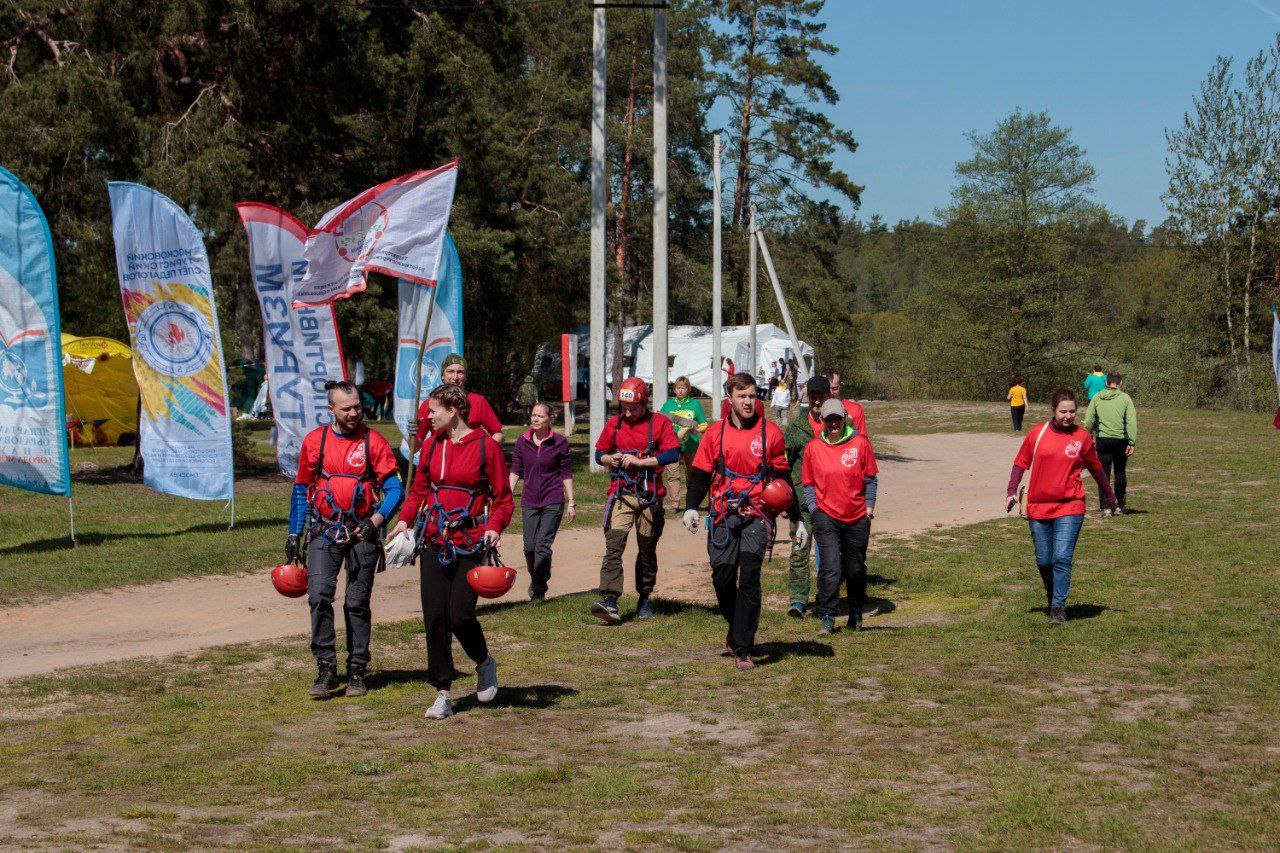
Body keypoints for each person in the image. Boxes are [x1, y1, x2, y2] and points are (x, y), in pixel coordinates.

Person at [390, 383, 514, 720]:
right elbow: (417, 490)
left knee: (459, 614)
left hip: (470, 541)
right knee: (435, 618)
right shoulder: (431, 447)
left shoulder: (486, 447)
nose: (428, 416)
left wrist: (494, 526)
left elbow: (503, 498)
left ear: (453, 410)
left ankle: (484, 662)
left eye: (433, 410)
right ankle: (443, 692)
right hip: (434, 539)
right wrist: (404, 522)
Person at [287, 380, 404, 700]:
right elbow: (301, 490)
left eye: (357, 407)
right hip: (324, 532)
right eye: (346, 408)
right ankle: (326, 668)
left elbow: (396, 490)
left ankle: (357, 670)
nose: (354, 413)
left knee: (356, 602)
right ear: (331, 410)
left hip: (362, 534)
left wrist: (375, 522)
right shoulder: (315, 442)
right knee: (319, 595)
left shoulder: (374, 442)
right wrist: (294, 533)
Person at [683, 373, 804, 670]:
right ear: (730, 399)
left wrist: (797, 519)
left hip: (757, 515)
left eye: (752, 395)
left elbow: (783, 478)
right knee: (722, 576)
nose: (748, 401)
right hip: (723, 513)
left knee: (750, 577)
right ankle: (737, 627)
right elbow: (700, 473)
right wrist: (690, 507)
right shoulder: (715, 433)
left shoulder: (771, 433)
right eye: (742, 396)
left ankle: (743, 648)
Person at [1005, 388, 1118, 625]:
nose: (1068, 416)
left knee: (1062, 558)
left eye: (1072, 412)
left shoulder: (1082, 437)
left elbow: (1096, 468)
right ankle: (1051, 596)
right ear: (1053, 411)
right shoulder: (1038, 433)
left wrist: (1109, 495)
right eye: (1063, 412)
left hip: (1070, 505)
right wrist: (1011, 491)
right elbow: (1020, 463)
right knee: (1044, 560)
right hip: (1038, 506)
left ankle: (1058, 606)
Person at [591, 377, 681, 623]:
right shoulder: (614, 425)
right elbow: (599, 453)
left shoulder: (659, 423)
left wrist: (642, 462)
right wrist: (612, 459)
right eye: (624, 407)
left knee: (646, 550)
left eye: (633, 408)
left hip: (650, 496)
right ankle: (609, 601)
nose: (628, 412)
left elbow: (673, 453)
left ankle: (645, 598)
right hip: (621, 494)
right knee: (613, 546)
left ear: (644, 403)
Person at [802, 398, 878, 635]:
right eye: (829, 419)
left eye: (837, 418)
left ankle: (855, 611)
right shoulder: (813, 448)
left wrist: (869, 507)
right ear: (822, 420)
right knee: (831, 567)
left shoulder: (861, 443)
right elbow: (808, 484)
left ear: (844, 417)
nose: (833, 423)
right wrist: (815, 510)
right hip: (826, 516)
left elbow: (871, 478)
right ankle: (827, 616)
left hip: (857, 516)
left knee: (855, 569)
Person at [509, 401, 575, 602]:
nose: (535, 419)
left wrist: (571, 501)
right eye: (533, 415)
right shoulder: (522, 441)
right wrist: (507, 495)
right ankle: (536, 577)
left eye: (540, 416)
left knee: (542, 546)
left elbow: (566, 472)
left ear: (550, 419)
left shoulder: (559, 442)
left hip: (552, 499)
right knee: (529, 546)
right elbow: (515, 469)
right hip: (529, 500)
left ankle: (539, 588)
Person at [783, 375, 834, 618]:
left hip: (831, 501)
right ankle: (797, 600)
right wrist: (785, 496)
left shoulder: (838, 426)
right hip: (802, 501)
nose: (816, 402)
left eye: (821, 397)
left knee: (828, 553)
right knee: (800, 549)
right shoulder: (795, 427)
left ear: (828, 398)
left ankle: (826, 597)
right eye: (813, 397)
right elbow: (784, 463)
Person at [412, 354, 504, 453]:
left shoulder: (478, 401)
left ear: (465, 377)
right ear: (442, 376)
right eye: (450, 372)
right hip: (441, 460)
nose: (455, 377)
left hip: (471, 459)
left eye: (460, 372)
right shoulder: (429, 404)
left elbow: (499, 435)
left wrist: (482, 451)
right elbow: (414, 448)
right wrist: (412, 434)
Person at [1083, 372, 1137, 516]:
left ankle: (1106, 507)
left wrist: (1088, 433)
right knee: (1120, 473)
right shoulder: (1125, 398)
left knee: (1103, 473)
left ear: (1106, 383)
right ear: (1120, 384)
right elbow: (1131, 421)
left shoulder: (1097, 397)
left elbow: (1088, 419)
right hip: (1121, 440)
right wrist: (1131, 441)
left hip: (1103, 440)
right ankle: (1119, 504)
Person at [658, 376, 708, 513]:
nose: (680, 391)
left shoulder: (695, 405)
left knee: (691, 473)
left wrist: (696, 429)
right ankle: (675, 503)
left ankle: (691, 502)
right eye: (678, 388)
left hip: (691, 444)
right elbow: (660, 423)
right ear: (674, 389)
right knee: (673, 473)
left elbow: (704, 424)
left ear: (688, 389)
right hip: (671, 444)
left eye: (683, 388)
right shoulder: (668, 405)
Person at [821, 369, 869, 437]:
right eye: (827, 389)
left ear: (841, 385)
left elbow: (862, 438)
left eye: (834, 388)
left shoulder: (855, 409)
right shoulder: (816, 410)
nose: (831, 392)